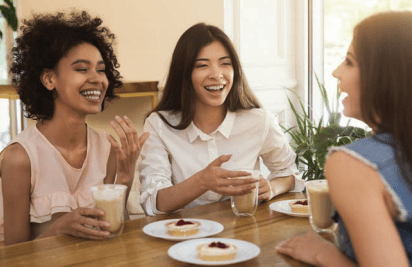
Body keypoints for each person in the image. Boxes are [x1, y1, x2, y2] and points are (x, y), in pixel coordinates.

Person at [0, 11, 149, 246]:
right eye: (82, 69)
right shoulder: (19, 158)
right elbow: (13, 255)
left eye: (101, 70)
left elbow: (114, 235)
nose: (97, 79)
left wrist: (126, 178)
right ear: (49, 79)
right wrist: (60, 228)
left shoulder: (108, 148)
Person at [276, 11, 412, 266]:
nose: (337, 72)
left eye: (349, 62)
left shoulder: (354, 165)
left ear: (385, 76)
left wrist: (324, 253)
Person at [138, 23, 303, 215]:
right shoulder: (159, 124)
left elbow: (289, 173)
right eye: (202, 65)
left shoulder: (259, 120)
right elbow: (153, 202)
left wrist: (272, 188)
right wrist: (201, 181)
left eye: (225, 63)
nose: (217, 75)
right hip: (183, 235)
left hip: (243, 232)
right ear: (184, 73)